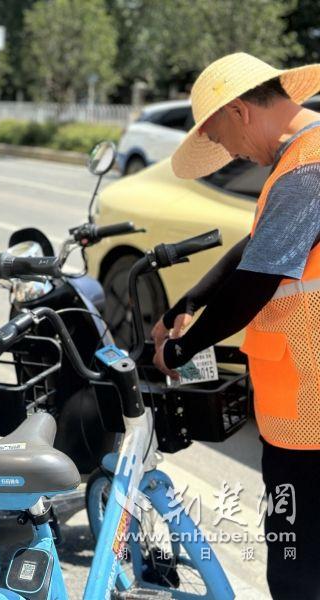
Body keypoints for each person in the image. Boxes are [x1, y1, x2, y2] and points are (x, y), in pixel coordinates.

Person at [154, 52, 320, 600]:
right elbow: (261, 245)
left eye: (220, 138)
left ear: (240, 111)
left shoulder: (307, 167)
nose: (228, 152)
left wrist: (182, 351)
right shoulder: (304, 157)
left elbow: (257, 282)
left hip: (310, 418)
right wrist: (192, 299)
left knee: (296, 570)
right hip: (302, 408)